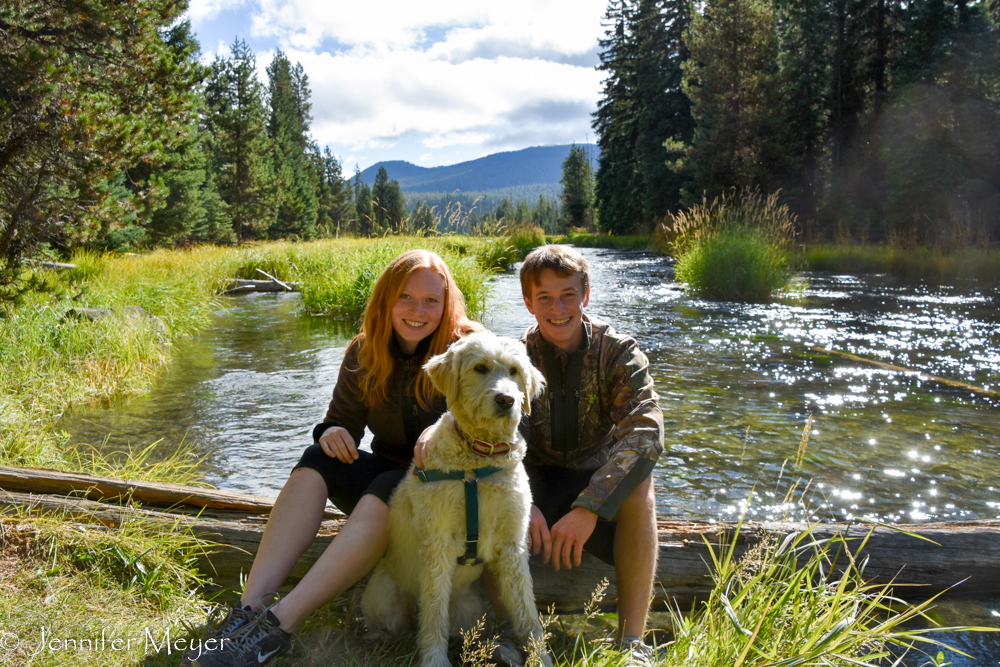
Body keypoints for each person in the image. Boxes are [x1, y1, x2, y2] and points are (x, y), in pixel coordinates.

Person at [189, 249, 481, 667]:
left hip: (452, 496)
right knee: (317, 458)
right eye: (405, 297)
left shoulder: (469, 349)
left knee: (391, 486)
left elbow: (502, 427)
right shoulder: (365, 350)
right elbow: (340, 420)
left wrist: (449, 425)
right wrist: (332, 432)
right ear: (386, 299)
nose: (418, 310)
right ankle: (247, 612)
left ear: (446, 303)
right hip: (391, 484)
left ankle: (277, 629)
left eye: (431, 300)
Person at [518, 245, 663, 665]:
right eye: (544, 297)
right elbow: (499, 438)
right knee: (494, 488)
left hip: (593, 483)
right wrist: (521, 500)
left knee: (641, 486)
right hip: (535, 486)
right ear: (528, 302)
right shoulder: (515, 358)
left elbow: (646, 431)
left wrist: (590, 507)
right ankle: (512, 635)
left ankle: (631, 643)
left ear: (586, 295)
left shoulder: (618, 352)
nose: (558, 307)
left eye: (568, 294)